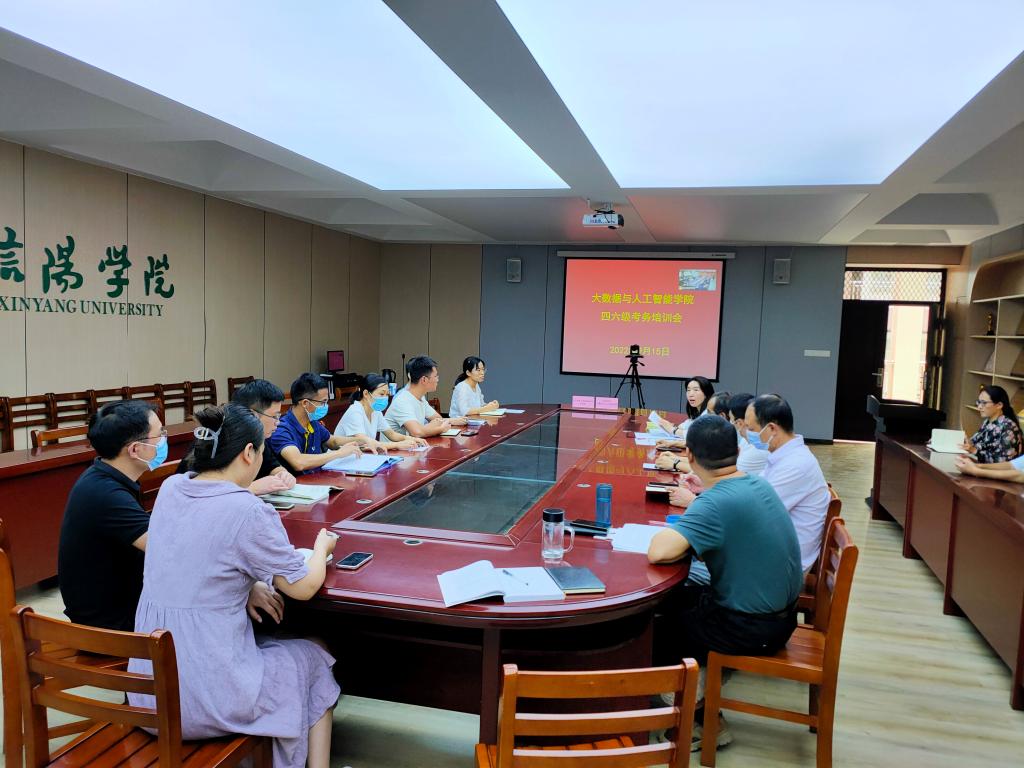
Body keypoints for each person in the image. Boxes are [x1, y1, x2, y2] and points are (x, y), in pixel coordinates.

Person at [129, 404, 339, 768]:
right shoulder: (246, 509)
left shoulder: (171, 488)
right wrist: (322, 548)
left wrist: (249, 584)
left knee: (274, 646)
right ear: (248, 453)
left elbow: (195, 557)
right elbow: (303, 587)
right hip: (207, 699)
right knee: (315, 656)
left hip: (149, 692)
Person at [647, 415, 802, 751]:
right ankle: (695, 705)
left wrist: (699, 505)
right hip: (781, 616)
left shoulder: (716, 502)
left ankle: (700, 723)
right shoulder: (755, 484)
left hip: (751, 628)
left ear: (690, 455)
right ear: (737, 451)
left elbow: (659, 552)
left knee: (655, 628)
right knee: (680, 598)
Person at [58, 400, 279, 632]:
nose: (165, 439)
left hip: (127, 602)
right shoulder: (105, 494)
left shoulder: (103, 477)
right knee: (253, 619)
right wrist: (246, 587)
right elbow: (174, 554)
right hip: (113, 625)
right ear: (135, 449)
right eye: (159, 434)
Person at [746, 394, 830, 573]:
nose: (747, 434)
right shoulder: (783, 456)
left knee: (696, 566)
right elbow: (753, 491)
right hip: (773, 552)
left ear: (771, 428)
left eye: (751, 429)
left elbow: (753, 512)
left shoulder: (795, 464)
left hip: (780, 569)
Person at [179, 378, 298, 496]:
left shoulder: (258, 439)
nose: (278, 422)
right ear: (252, 415)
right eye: (274, 416)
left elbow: (274, 467)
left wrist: (284, 476)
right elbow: (197, 490)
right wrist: (250, 489)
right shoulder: (215, 440)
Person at [269, 372, 373, 475]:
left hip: (318, 479)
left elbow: (333, 441)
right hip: (298, 483)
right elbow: (298, 462)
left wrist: (363, 440)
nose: (326, 406)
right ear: (305, 403)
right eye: (323, 402)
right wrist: (339, 453)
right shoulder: (281, 429)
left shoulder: (312, 423)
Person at [336, 373, 429, 450]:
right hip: (341, 460)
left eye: (387, 394)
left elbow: (391, 434)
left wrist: (411, 439)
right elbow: (364, 444)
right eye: (381, 394)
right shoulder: (355, 411)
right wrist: (397, 445)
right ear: (366, 394)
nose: (385, 398)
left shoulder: (376, 411)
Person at [385, 355, 467, 437]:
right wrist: (441, 429)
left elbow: (437, 419)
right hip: (398, 445)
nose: (437, 379)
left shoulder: (420, 397)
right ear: (424, 379)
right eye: (435, 376)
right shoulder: (403, 400)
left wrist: (450, 421)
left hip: (415, 443)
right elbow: (417, 432)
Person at [961, 385, 1023, 463]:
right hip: (980, 466)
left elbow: (1004, 462)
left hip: (994, 470)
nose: (979, 407)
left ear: (999, 405)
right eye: (979, 402)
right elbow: (976, 443)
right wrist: (968, 442)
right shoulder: (988, 421)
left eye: (984, 403)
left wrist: (973, 450)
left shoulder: (1008, 427)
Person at [654, 376, 714, 440]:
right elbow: (684, 426)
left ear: (706, 393)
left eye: (696, 390)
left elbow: (696, 435)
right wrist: (668, 426)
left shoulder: (709, 413)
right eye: (688, 390)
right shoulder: (696, 413)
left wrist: (673, 430)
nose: (691, 394)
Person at [729, 392, 768, 476]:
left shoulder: (756, 452)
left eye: (731, 420)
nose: (730, 423)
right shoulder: (746, 440)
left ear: (739, 422)